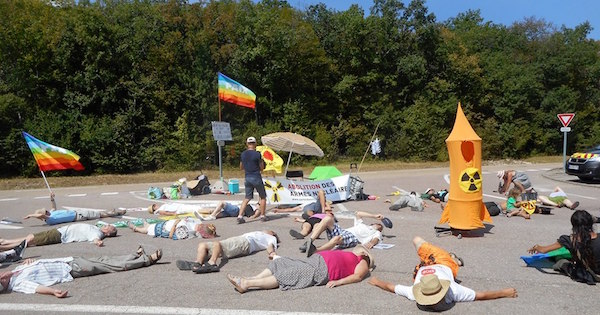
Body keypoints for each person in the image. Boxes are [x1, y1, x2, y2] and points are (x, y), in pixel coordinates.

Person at [369, 236, 517, 311]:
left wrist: (376, 282)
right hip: (443, 263)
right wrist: (504, 292)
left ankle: (452, 257)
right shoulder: (453, 291)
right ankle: (454, 259)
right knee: (417, 240)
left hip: (420, 268)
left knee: (416, 239)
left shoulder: (414, 293)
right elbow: (481, 295)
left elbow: (391, 287)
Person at [0, 245, 161, 297]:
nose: (2, 274)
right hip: (71, 269)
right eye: (0, 278)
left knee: (106, 260)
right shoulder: (18, 284)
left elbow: (33, 265)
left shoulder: (17, 269)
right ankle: (147, 260)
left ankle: (135, 255)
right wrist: (53, 291)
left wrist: (29, 262)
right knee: (110, 267)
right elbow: (36, 288)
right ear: (3, 283)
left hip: (67, 260)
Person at [226, 245, 374, 294]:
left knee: (289, 274)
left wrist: (338, 282)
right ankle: (252, 278)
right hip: (315, 262)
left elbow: (357, 277)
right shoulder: (348, 253)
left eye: (360, 250)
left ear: (363, 254)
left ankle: (246, 284)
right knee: (281, 262)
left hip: (323, 270)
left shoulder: (362, 261)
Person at [528, 210, 600, 284]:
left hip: (586, 273)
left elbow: (543, 250)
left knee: (561, 260)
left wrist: (537, 247)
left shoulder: (570, 240)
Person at [176, 230, 279, 274]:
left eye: (271, 231)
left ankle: (212, 263)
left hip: (245, 244)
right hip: (240, 239)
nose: (268, 230)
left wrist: (272, 254)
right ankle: (198, 263)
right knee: (202, 245)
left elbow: (270, 246)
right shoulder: (260, 233)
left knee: (218, 244)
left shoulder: (271, 238)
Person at [300, 211, 384, 256]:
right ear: (373, 223)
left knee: (337, 239)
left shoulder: (376, 232)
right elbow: (358, 213)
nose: (379, 225)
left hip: (353, 238)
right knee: (328, 218)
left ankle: (315, 251)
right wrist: (374, 216)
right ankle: (309, 241)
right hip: (343, 231)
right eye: (378, 224)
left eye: (380, 227)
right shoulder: (361, 224)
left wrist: (372, 243)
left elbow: (376, 239)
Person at [24, 193, 126, 225]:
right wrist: (30, 215)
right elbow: (41, 215)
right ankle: (115, 213)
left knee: (97, 213)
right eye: (45, 212)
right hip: (78, 216)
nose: (46, 211)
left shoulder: (51, 213)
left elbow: (53, 207)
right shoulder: (49, 220)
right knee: (99, 214)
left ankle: (113, 213)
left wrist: (51, 199)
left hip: (77, 213)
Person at [0, 223, 117, 250]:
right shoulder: (97, 228)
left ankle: (6, 246)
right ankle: (6, 241)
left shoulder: (98, 234)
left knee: (31, 240)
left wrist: (98, 243)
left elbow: (95, 239)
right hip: (59, 231)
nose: (106, 225)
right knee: (31, 236)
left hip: (60, 235)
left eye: (108, 227)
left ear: (107, 233)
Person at [237, 136, 267, 223]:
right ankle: (262, 215)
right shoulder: (257, 154)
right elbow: (261, 167)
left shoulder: (243, 154)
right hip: (256, 176)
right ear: (255, 144)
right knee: (263, 197)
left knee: (247, 197)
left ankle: (240, 216)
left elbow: (241, 167)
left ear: (247, 144)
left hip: (247, 177)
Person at [128, 218, 216, 240]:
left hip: (161, 229)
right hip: (164, 224)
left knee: (147, 230)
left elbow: (171, 236)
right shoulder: (196, 222)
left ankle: (136, 228)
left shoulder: (186, 231)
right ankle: (146, 224)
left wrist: (175, 224)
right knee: (150, 225)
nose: (199, 225)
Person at [192, 201, 257, 221]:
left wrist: (257, 212)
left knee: (222, 203)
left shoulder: (252, 207)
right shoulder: (253, 208)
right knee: (216, 212)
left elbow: (251, 214)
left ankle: (211, 216)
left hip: (236, 210)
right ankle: (204, 218)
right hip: (235, 212)